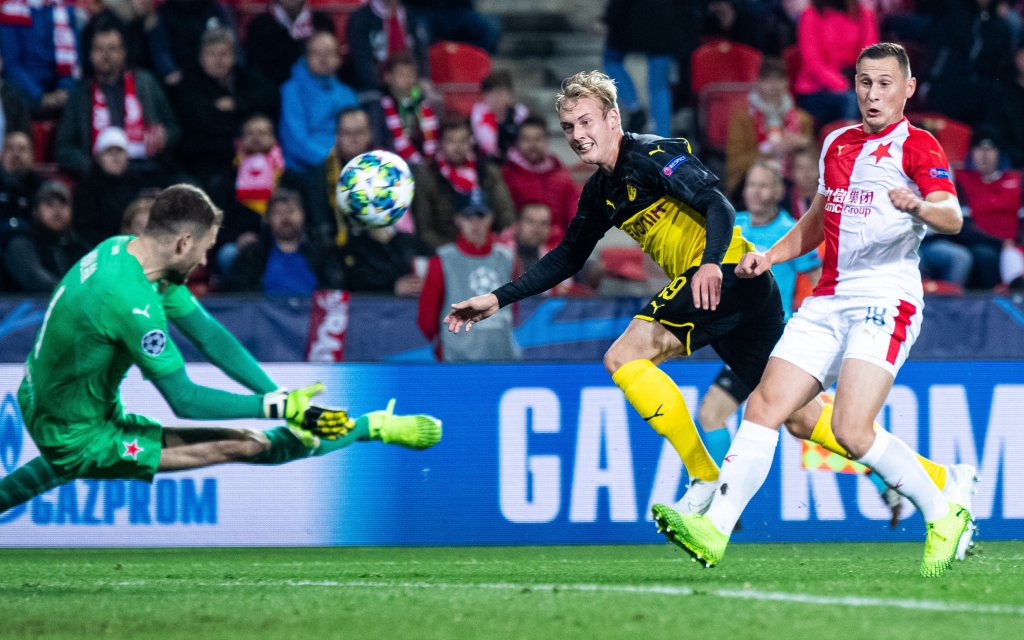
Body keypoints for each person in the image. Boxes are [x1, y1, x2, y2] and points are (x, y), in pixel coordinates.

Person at [443, 69, 974, 557]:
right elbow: (566, 257)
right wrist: (498, 298)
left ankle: (701, 479)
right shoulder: (601, 192)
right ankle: (945, 481)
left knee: (624, 355)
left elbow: (717, 205)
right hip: (739, 288)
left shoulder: (652, 154)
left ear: (612, 118)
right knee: (800, 418)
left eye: (586, 121)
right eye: (568, 126)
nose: (578, 134)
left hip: (726, 280)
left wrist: (710, 264)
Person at [662, 43, 975, 578]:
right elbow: (816, 217)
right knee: (764, 407)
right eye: (863, 82)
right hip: (827, 299)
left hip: (885, 298)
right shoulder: (835, 142)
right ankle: (714, 531)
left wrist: (920, 206)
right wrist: (771, 254)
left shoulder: (918, 147)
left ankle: (944, 510)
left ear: (907, 88)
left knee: (853, 430)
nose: (872, 94)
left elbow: (952, 217)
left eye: (883, 84)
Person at [0, 183, 441, 516]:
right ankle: (369, 426)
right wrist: (274, 407)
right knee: (246, 445)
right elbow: (186, 401)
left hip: (51, 401)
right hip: (79, 433)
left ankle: (365, 426)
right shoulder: (131, 301)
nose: (206, 262)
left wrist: (283, 401)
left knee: (60, 463)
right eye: (206, 248)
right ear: (183, 243)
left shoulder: (124, 252)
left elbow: (211, 338)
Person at [55, 18, 180, 176]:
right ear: (90, 54)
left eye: (112, 49)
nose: (105, 55)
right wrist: (92, 165)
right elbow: (64, 148)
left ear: (124, 52)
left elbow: (174, 128)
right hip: (100, 176)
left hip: (147, 169)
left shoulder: (146, 82)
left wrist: (164, 136)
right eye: (99, 49)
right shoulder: (79, 95)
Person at [420, 193, 519, 362]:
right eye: (468, 217)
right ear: (458, 219)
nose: (475, 223)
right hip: (457, 360)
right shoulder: (442, 261)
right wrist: (445, 346)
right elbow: (426, 319)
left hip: (503, 358)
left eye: (481, 216)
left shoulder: (508, 259)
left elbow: (513, 311)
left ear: (491, 218)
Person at [412, 114, 513, 249]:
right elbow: (424, 228)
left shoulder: (488, 172)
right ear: (440, 143)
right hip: (445, 249)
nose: (457, 147)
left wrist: (493, 243)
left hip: (487, 247)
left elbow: (505, 213)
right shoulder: (428, 176)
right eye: (451, 141)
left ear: (471, 142)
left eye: (463, 140)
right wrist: (455, 252)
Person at [226, 187, 346, 294]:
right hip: (266, 317)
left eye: (290, 211)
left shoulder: (323, 252)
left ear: (303, 214)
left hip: (311, 316)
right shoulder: (253, 255)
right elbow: (241, 298)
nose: (285, 218)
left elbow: (334, 290)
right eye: (278, 213)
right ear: (267, 219)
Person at [724, 57, 814, 198]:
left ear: (787, 82)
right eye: (767, 80)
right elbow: (735, 165)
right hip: (752, 181)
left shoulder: (802, 118)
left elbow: (814, 161)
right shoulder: (742, 118)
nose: (773, 86)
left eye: (779, 79)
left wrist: (803, 144)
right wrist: (768, 149)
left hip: (792, 182)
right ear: (758, 82)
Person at [72, 126, 170, 247]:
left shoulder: (137, 183)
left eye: (119, 152)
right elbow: (84, 230)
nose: (115, 157)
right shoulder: (86, 188)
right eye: (109, 152)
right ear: (98, 157)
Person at [279, 31, 358, 172]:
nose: (323, 58)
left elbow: (358, 134)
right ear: (306, 57)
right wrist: (332, 161)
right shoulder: (292, 91)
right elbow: (295, 142)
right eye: (316, 53)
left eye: (328, 53)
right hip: (305, 171)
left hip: (345, 166)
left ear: (339, 58)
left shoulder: (348, 94)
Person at [793, 0, 878, 127]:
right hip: (816, 89)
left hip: (853, 81)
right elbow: (813, 63)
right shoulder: (810, 15)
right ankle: (847, 145)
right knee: (851, 98)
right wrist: (841, 84)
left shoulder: (862, 14)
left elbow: (869, 55)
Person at [500, 114, 580, 245]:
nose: (532, 144)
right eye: (526, 139)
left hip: (559, 247)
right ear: (518, 142)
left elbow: (575, 215)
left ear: (546, 141)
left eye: (538, 139)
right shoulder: (507, 175)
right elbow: (504, 218)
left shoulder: (561, 175)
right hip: (519, 246)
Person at [3, 179, 88, 292]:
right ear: (35, 211)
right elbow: (35, 278)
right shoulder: (20, 242)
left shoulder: (77, 245)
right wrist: (70, 293)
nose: (57, 211)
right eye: (49, 204)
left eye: (63, 204)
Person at [0, 0, 80, 114]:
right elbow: (11, 64)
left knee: (80, 96)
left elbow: (73, 59)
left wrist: (64, 88)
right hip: (24, 92)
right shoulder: (11, 10)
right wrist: (39, 95)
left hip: (61, 94)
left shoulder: (65, 9)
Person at [245, 0, 336, 87]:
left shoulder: (323, 23)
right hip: (271, 97)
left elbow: (331, 69)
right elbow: (255, 73)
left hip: (317, 96)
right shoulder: (258, 27)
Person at [470, 71, 528, 161]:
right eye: (491, 94)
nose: (496, 98)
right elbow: (488, 144)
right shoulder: (478, 113)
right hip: (488, 160)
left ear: (510, 94)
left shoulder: (521, 113)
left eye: (500, 93)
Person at [0, 130, 43, 220]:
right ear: (2, 154)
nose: (16, 154)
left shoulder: (40, 186)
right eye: (10, 148)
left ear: (32, 155)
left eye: (22, 149)